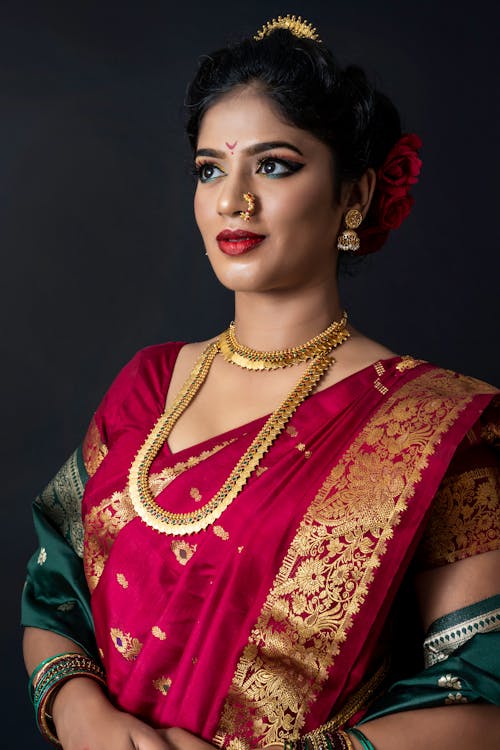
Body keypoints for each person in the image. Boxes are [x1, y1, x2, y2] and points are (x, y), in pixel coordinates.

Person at [22, 14, 500, 750]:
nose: (231, 200)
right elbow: (54, 594)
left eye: (273, 165)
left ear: (357, 195)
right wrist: (84, 715)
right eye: (210, 168)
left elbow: (481, 694)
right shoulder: (148, 385)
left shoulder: (432, 425)